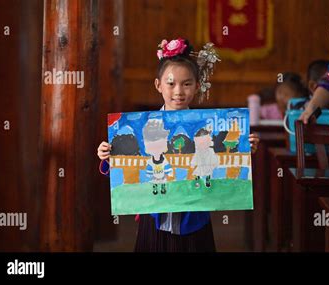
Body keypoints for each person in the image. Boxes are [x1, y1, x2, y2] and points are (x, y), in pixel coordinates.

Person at [97, 38, 260, 252]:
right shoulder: (144, 127)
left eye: (187, 83)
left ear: (197, 86)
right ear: (158, 85)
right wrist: (109, 156)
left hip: (194, 219)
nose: (178, 91)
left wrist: (246, 148)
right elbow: (129, 168)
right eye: (171, 83)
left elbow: (223, 163)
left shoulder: (207, 127)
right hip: (154, 217)